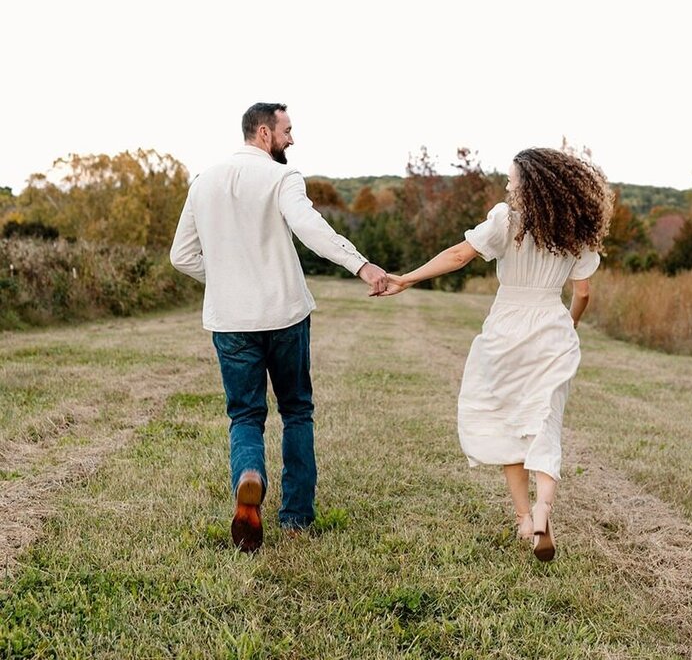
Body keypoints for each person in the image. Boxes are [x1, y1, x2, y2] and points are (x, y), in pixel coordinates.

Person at [170, 102, 388, 553]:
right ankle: (295, 517)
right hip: (285, 315)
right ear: (265, 132)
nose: (292, 139)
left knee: (245, 415)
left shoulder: (203, 182)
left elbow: (181, 256)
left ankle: (249, 476)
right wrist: (361, 265)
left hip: (231, 322)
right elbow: (310, 227)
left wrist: (228, 280)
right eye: (288, 130)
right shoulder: (282, 177)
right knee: (296, 411)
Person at [380, 147, 612, 561]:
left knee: (507, 419)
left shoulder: (507, 219)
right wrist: (569, 324)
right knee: (545, 421)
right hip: (551, 327)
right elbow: (584, 292)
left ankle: (524, 518)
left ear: (531, 184)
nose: (508, 185)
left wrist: (407, 279)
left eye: (513, 179)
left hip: (507, 326)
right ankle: (543, 511)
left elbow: (459, 256)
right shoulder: (574, 230)